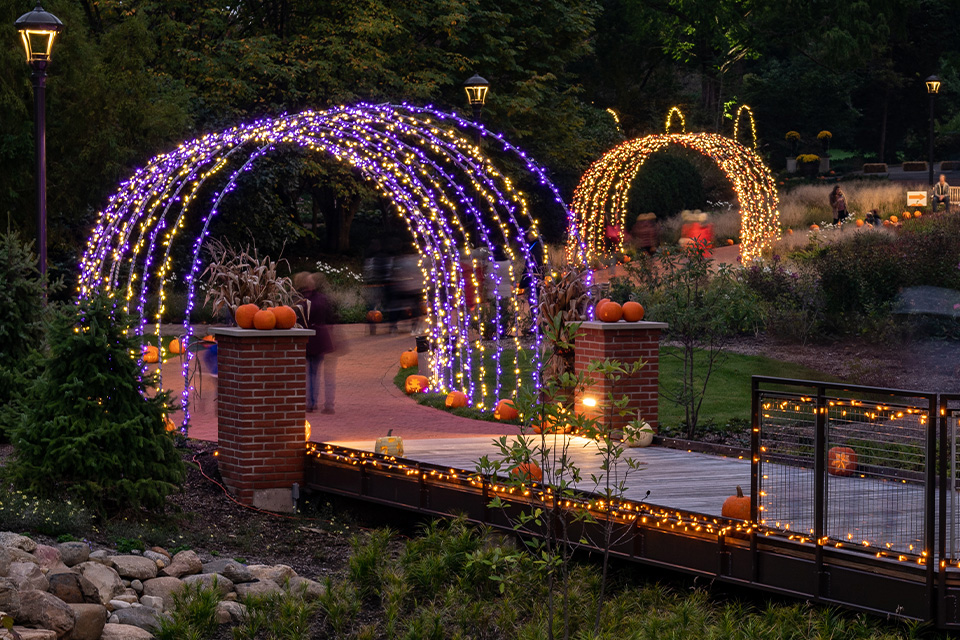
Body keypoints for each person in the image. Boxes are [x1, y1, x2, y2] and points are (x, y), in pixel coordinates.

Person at [295, 272, 336, 414]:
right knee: (316, 372)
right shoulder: (320, 298)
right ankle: (321, 403)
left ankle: (312, 402)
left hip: (311, 339)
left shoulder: (300, 300)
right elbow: (330, 317)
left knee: (312, 372)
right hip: (319, 338)